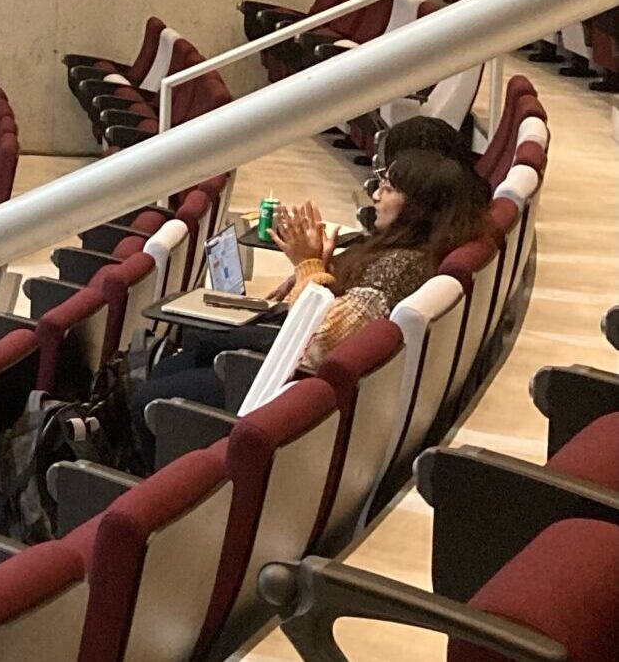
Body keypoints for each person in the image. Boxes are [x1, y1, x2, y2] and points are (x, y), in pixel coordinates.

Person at [129, 150, 486, 469]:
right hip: (292, 369)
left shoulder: (401, 266)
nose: (376, 195)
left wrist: (308, 266)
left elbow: (320, 341)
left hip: (290, 384)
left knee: (152, 392)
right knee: (189, 349)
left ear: (419, 206)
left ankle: (143, 474)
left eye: (389, 189)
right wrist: (319, 267)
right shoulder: (402, 253)